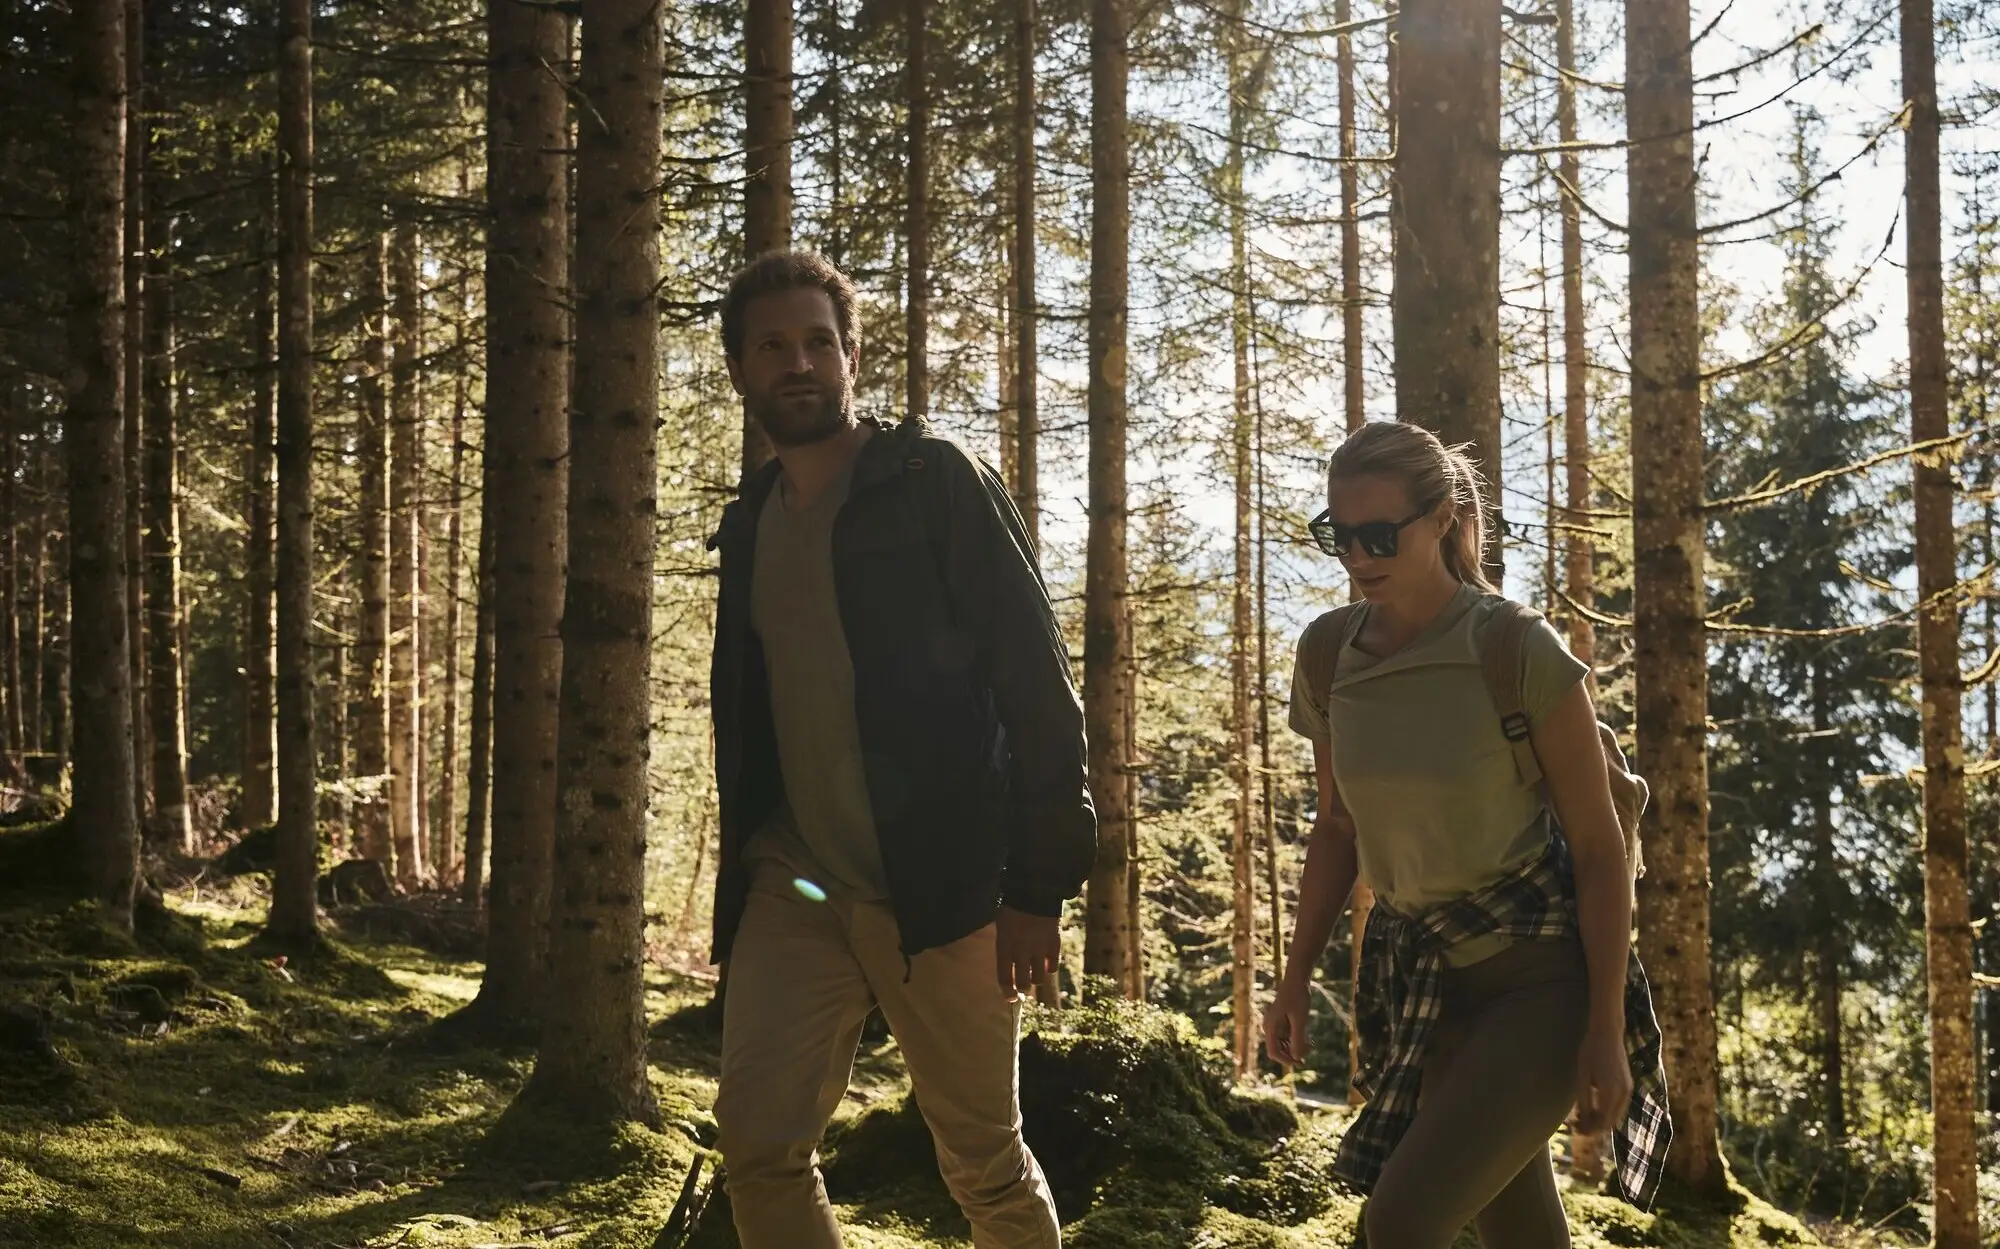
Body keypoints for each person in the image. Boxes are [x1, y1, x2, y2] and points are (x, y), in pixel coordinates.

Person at [706, 249, 1095, 1249]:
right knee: (755, 1142)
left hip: (945, 890)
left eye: (817, 343)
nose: (798, 363)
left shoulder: (934, 483)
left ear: (850, 355)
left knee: (981, 1162)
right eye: (773, 347)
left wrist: (1035, 887)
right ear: (740, 369)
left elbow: (1037, 687)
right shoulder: (750, 522)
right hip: (796, 878)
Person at [1262, 420, 1671, 1248]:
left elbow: (1597, 851)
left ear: (1443, 517)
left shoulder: (1514, 648)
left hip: (1538, 985)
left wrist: (1603, 1028)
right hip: (1425, 987)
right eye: (1338, 535)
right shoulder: (1329, 653)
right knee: (1519, 1233)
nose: (1356, 556)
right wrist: (1295, 976)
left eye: (1379, 534)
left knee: (1401, 1221)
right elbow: (1337, 827)